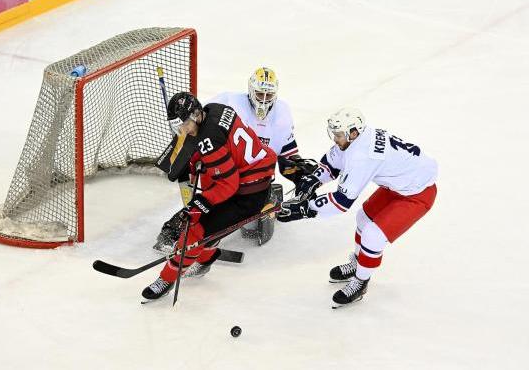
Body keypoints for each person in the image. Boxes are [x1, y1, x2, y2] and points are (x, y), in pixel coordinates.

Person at [277, 107, 438, 308]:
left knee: (372, 235)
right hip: (401, 184)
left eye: (339, 135)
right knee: (363, 218)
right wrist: (313, 179)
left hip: (418, 194)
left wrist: (304, 209)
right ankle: (357, 263)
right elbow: (332, 163)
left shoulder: (364, 156)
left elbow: (341, 202)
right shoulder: (359, 138)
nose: (335, 139)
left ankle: (361, 282)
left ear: (353, 133)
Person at [153, 67, 316, 251]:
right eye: (259, 93)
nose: (263, 100)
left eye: (268, 95)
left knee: (248, 226)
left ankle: (200, 233)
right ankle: (181, 230)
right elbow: (198, 128)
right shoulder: (229, 100)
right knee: (214, 200)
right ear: (250, 89)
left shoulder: (281, 115)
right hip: (224, 169)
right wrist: (184, 156)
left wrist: (300, 174)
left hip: (252, 178)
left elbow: (287, 155)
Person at [142, 92, 277, 301]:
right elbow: (222, 148)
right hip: (254, 176)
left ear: (196, 114)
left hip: (248, 193)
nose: (183, 130)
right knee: (209, 218)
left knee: (195, 229)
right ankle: (206, 258)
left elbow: (228, 185)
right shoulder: (215, 109)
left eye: (185, 124)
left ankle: (168, 278)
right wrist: (197, 161)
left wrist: (199, 204)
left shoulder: (208, 140)